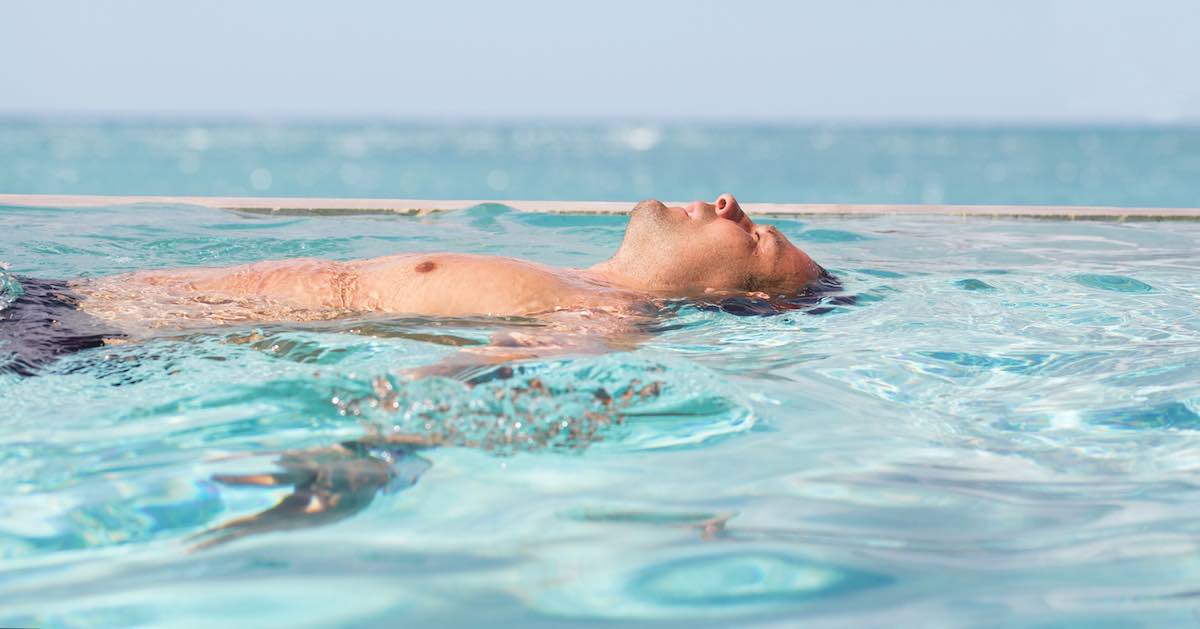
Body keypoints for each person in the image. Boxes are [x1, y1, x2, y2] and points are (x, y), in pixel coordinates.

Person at [1, 194, 829, 375]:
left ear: (748, 292)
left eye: (755, 233)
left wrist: (372, 443)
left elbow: (484, 375)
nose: (728, 202)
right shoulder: (573, 276)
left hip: (74, 339)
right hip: (57, 296)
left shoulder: (607, 314)